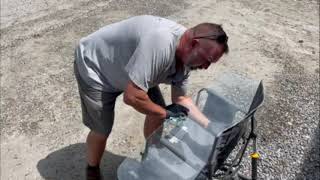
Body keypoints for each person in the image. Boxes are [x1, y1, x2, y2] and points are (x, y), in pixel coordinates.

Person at [73, 15, 229, 180]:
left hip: (135, 70)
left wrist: (210, 126)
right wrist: (165, 113)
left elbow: (181, 100)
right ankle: (92, 170)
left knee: (156, 111)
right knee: (102, 128)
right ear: (192, 44)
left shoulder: (188, 57)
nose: (205, 67)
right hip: (97, 68)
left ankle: (151, 155)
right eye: (207, 60)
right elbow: (132, 97)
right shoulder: (160, 42)